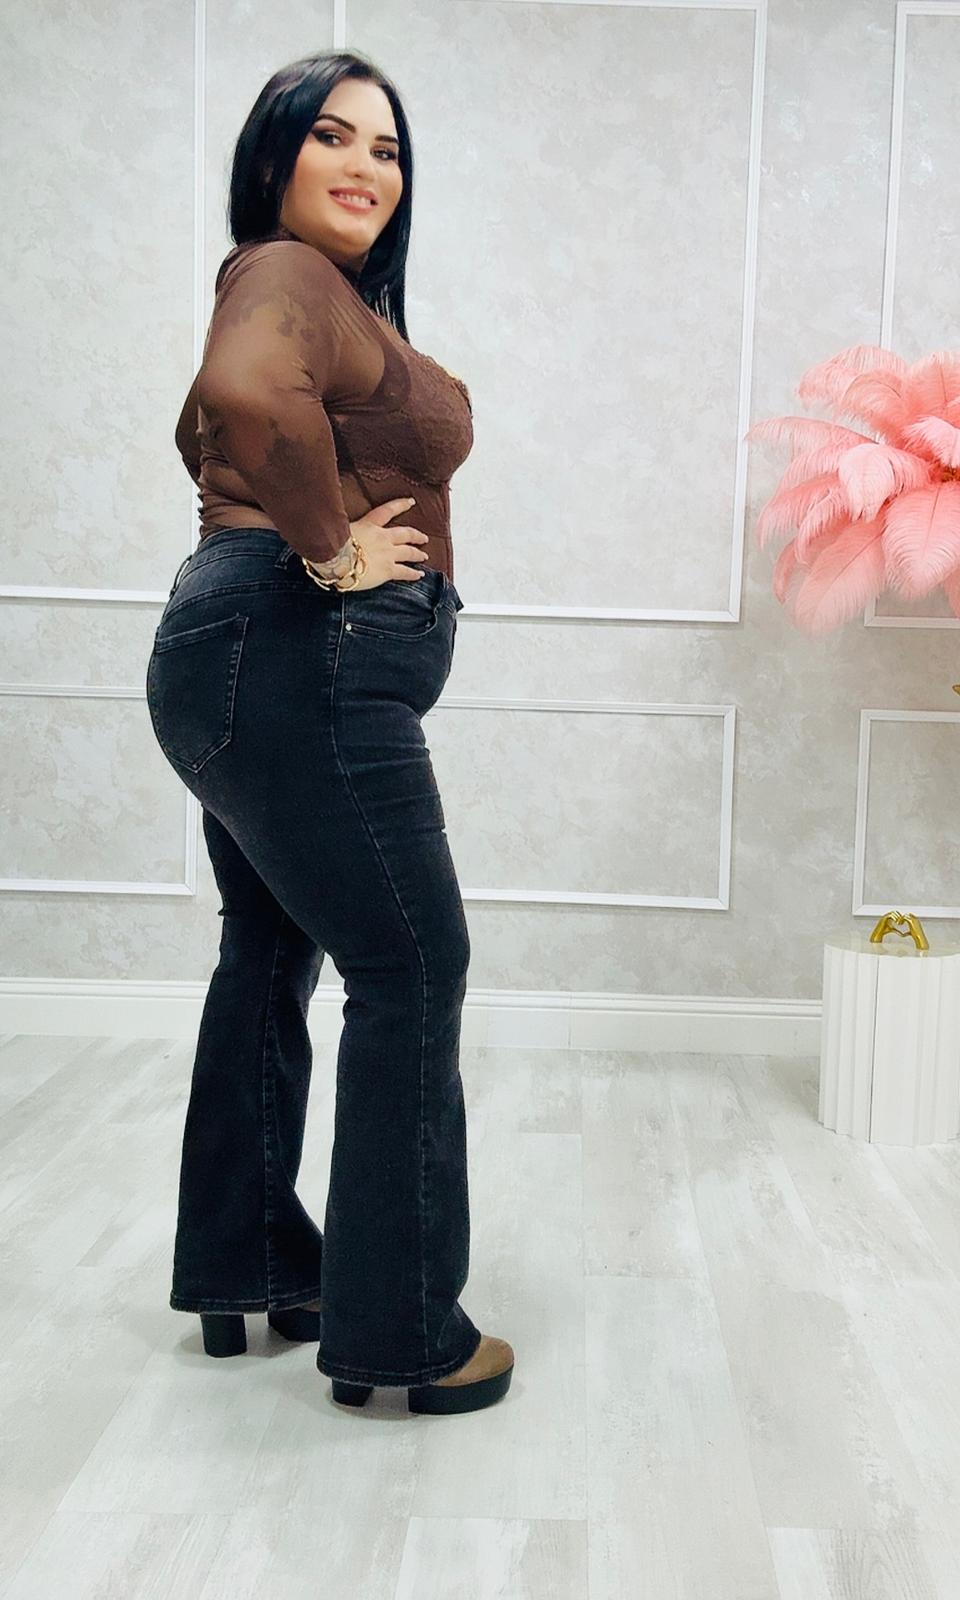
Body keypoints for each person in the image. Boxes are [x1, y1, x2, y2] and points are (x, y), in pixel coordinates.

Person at [145, 49, 514, 1416]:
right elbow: (248, 393)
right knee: (412, 963)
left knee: (269, 947)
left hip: (234, 661)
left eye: (388, 147)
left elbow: (225, 417)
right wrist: (329, 546)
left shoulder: (311, 293)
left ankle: (248, 1261)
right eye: (332, 136)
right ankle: (403, 1332)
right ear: (272, 159)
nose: (366, 165)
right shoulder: (284, 272)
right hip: (300, 655)